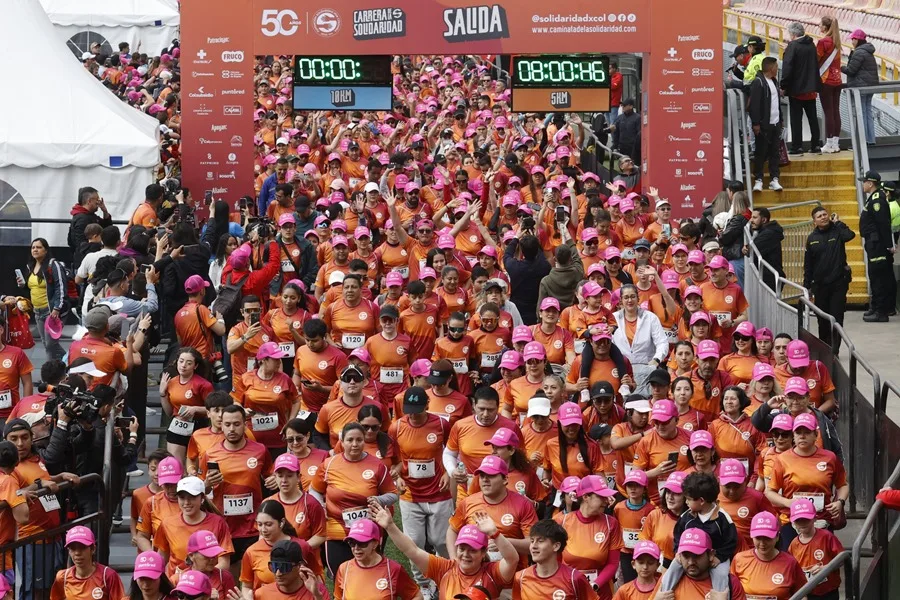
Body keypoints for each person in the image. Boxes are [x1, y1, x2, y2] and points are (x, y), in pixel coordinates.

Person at [374, 504, 517, 600]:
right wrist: (390, 526)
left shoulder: (492, 573)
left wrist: (494, 533)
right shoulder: (444, 569)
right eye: (462, 548)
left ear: (483, 552)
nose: (465, 555)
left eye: (472, 550)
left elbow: (512, 560)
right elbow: (412, 550)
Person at [310, 422, 398, 576]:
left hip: (367, 531)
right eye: (350, 440)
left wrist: (379, 500)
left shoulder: (377, 465)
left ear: (364, 441)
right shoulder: (329, 464)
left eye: (359, 440)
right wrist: (320, 506)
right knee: (340, 575)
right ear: (342, 442)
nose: (355, 444)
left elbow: (393, 494)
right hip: (336, 529)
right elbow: (314, 489)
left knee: (368, 575)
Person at [200, 405, 274, 571]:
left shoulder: (260, 450)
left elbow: (270, 475)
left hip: (253, 526)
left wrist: (274, 479)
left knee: (254, 576)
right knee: (228, 578)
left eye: (236, 424)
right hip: (224, 526)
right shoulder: (210, 454)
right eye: (227, 424)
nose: (232, 429)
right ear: (221, 425)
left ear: (245, 425)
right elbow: (201, 492)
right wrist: (206, 485)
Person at [765, 413, 848, 550]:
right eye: (798, 432)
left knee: (822, 561)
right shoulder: (782, 459)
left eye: (807, 432)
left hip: (821, 520)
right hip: (791, 522)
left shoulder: (830, 458)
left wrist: (840, 502)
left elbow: (843, 485)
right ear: (793, 435)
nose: (802, 436)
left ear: (816, 435)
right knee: (791, 562)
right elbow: (769, 492)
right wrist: (787, 502)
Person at [659, 473, 739, 596]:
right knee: (671, 571)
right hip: (688, 557)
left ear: (701, 500)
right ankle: (664, 594)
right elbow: (677, 535)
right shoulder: (686, 517)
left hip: (716, 557)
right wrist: (678, 552)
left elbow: (731, 542)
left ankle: (720, 597)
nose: (686, 502)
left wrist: (719, 557)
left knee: (722, 576)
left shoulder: (723, 519)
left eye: (688, 499)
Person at [154, 476, 233, 576]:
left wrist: (196, 578)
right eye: (182, 498)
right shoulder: (167, 524)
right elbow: (161, 559)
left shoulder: (218, 523)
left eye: (192, 497)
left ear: (202, 498)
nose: (186, 502)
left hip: (208, 582)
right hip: (176, 583)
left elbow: (224, 563)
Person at [803, 206, 855, 349]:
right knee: (823, 319)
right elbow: (808, 264)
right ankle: (825, 348)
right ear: (814, 221)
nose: (823, 217)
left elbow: (849, 235)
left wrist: (838, 223)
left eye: (825, 214)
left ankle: (834, 350)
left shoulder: (837, 231)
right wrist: (807, 286)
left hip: (838, 283)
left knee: (836, 318)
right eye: (819, 216)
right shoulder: (812, 238)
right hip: (820, 286)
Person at [333, 519, 421, 600]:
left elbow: (416, 596)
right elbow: (338, 598)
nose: (356, 548)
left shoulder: (393, 570)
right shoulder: (344, 569)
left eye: (362, 543)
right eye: (352, 543)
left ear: (375, 544)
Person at [512, 519, 598, 600]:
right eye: (532, 541)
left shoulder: (575, 578)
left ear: (556, 546)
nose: (533, 546)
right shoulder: (520, 577)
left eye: (540, 541)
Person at [730, 511, 806, 598]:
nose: (762, 543)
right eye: (758, 538)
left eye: (767, 538)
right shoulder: (739, 559)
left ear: (777, 537)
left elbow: (802, 594)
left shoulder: (790, 563)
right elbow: (731, 591)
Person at [610, 285, 669, 395]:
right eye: (626, 297)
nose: (629, 300)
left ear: (638, 298)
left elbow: (662, 342)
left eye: (633, 296)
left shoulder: (650, 318)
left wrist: (656, 360)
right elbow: (609, 343)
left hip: (647, 369)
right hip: (622, 371)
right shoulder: (613, 318)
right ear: (621, 300)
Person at [159, 348, 214, 463]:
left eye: (189, 363)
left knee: (194, 466)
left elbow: (214, 409)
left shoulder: (204, 385)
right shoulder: (171, 382)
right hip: (177, 425)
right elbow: (169, 412)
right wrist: (162, 394)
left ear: (195, 366)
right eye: (181, 361)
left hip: (198, 426)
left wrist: (195, 409)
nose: (183, 365)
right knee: (175, 464)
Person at [18, 238, 68, 360]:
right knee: (47, 345)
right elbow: (32, 289)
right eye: (33, 247)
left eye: (39, 247)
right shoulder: (30, 266)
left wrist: (57, 308)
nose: (35, 250)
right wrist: (22, 285)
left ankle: (62, 364)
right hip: (38, 311)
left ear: (46, 250)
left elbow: (61, 287)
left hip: (51, 311)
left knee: (50, 345)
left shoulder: (53, 265)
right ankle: (63, 363)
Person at [787, 498, 844, 600]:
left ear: (814, 518)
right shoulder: (794, 544)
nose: (802, 523)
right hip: (806, 593)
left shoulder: (826, 537)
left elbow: (842, 558)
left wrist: (826, 568)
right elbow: (791, 569)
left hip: (828, 591)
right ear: (793, 522)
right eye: (798, 520)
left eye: (806, 519)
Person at [858, 170, 896, 322]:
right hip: (873, 244)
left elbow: (883, 224)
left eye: (864, 182)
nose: (863, 185)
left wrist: (888, 245)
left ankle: (881, 312)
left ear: (870, 183)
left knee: (878, 278)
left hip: (878, 245)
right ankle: (875, 307)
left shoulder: (877, 200)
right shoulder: (874, 198)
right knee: (874, 277)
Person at [49, 526, 125, 600]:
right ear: (69, 551)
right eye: (73, 548)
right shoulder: (62, 577)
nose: (77, 553)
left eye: (82, 547)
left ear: (93, 549)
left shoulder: (108, 576)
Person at [782, 22, 822, 154]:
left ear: (793, 34)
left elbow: (787, 67)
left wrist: (783, 85)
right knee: (813, 118)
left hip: (797, 89)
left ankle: (797, 146)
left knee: (796, 119)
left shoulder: (792, 46)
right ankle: (816, 145)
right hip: (811, 88)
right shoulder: (811, 44)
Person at [749, 57, 784, 193]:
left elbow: (777, 103)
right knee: (761, 152)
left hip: (775, 123)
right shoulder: (758, 82)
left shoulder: (774, 81)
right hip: (763, 125)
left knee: (775, 152)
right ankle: (758, 179)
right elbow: (754, 105)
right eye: (776, 67)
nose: (777, 69)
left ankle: (774, 178)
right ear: (770, 68)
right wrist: (756, 123)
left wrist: (780, 120)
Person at [253, 539, 327, 600]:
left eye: (284, 567)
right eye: (274, 567)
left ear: (299, 566)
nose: (278, 573)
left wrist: (317, 596)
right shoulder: (261, 594)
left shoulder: (317, 591)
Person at [842, 29, 878, 145]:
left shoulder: (859, 52)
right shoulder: (868, 51)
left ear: (857, 40)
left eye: (853, 39)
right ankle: (870, 139)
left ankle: (863, 141)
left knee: (861, 113)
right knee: (867, 112)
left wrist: (841, 68)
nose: (852, 42)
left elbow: (851, 70)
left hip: (861, 87)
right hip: (870, 87)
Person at [817, 16, 844, 153]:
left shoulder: (823, 42)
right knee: (835, 111)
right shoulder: (837, 41)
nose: (819, 27)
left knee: (828, 112)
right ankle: (835, 143)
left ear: (825, 27)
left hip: (826, 80)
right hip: (838, 80)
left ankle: (829, 143)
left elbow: (816, 59)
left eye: (820, 24)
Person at [746, 207, 784, 291]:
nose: (751, 220)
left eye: (755, 218)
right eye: (751, 217)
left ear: (764, 220)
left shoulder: (769, 233)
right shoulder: (765, 231)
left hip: (770, 279)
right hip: (768, 277)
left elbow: (750, 251)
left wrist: (747, 249)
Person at [68, 187, 112, 253]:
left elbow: (107, 229)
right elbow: (80, 244)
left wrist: (105, 211)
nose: (98, 202)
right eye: (97, 199)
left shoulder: (90, 216)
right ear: (89, 201)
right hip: (86, 256)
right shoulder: (82, 219)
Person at [612, 99, 640, 164]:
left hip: (633, 149)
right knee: (623, 166)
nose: (623, 107)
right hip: (622, 148)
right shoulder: (619, 118)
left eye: (624, 106)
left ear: (631, 106)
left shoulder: (638, 118)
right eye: (622, 105)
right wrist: (615, 147)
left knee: (634, 166)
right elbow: (616, 133)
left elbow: (639, 134)